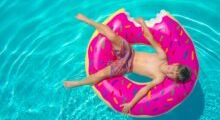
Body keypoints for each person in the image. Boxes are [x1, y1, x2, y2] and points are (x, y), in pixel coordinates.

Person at [63, 13, 192, 114]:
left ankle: (77, 83)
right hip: (129, 53)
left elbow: (145, 89)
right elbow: (150, 38)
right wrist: (142, 23)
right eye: (174, 69)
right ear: (175, 64)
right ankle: (87, 20)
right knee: (112, 36)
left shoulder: (159, 77)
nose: (170, 71)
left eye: (173, 75)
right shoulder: (162, 56)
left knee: (101, 74)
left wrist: (131, 103)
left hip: (125, 66)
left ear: (172, 78)